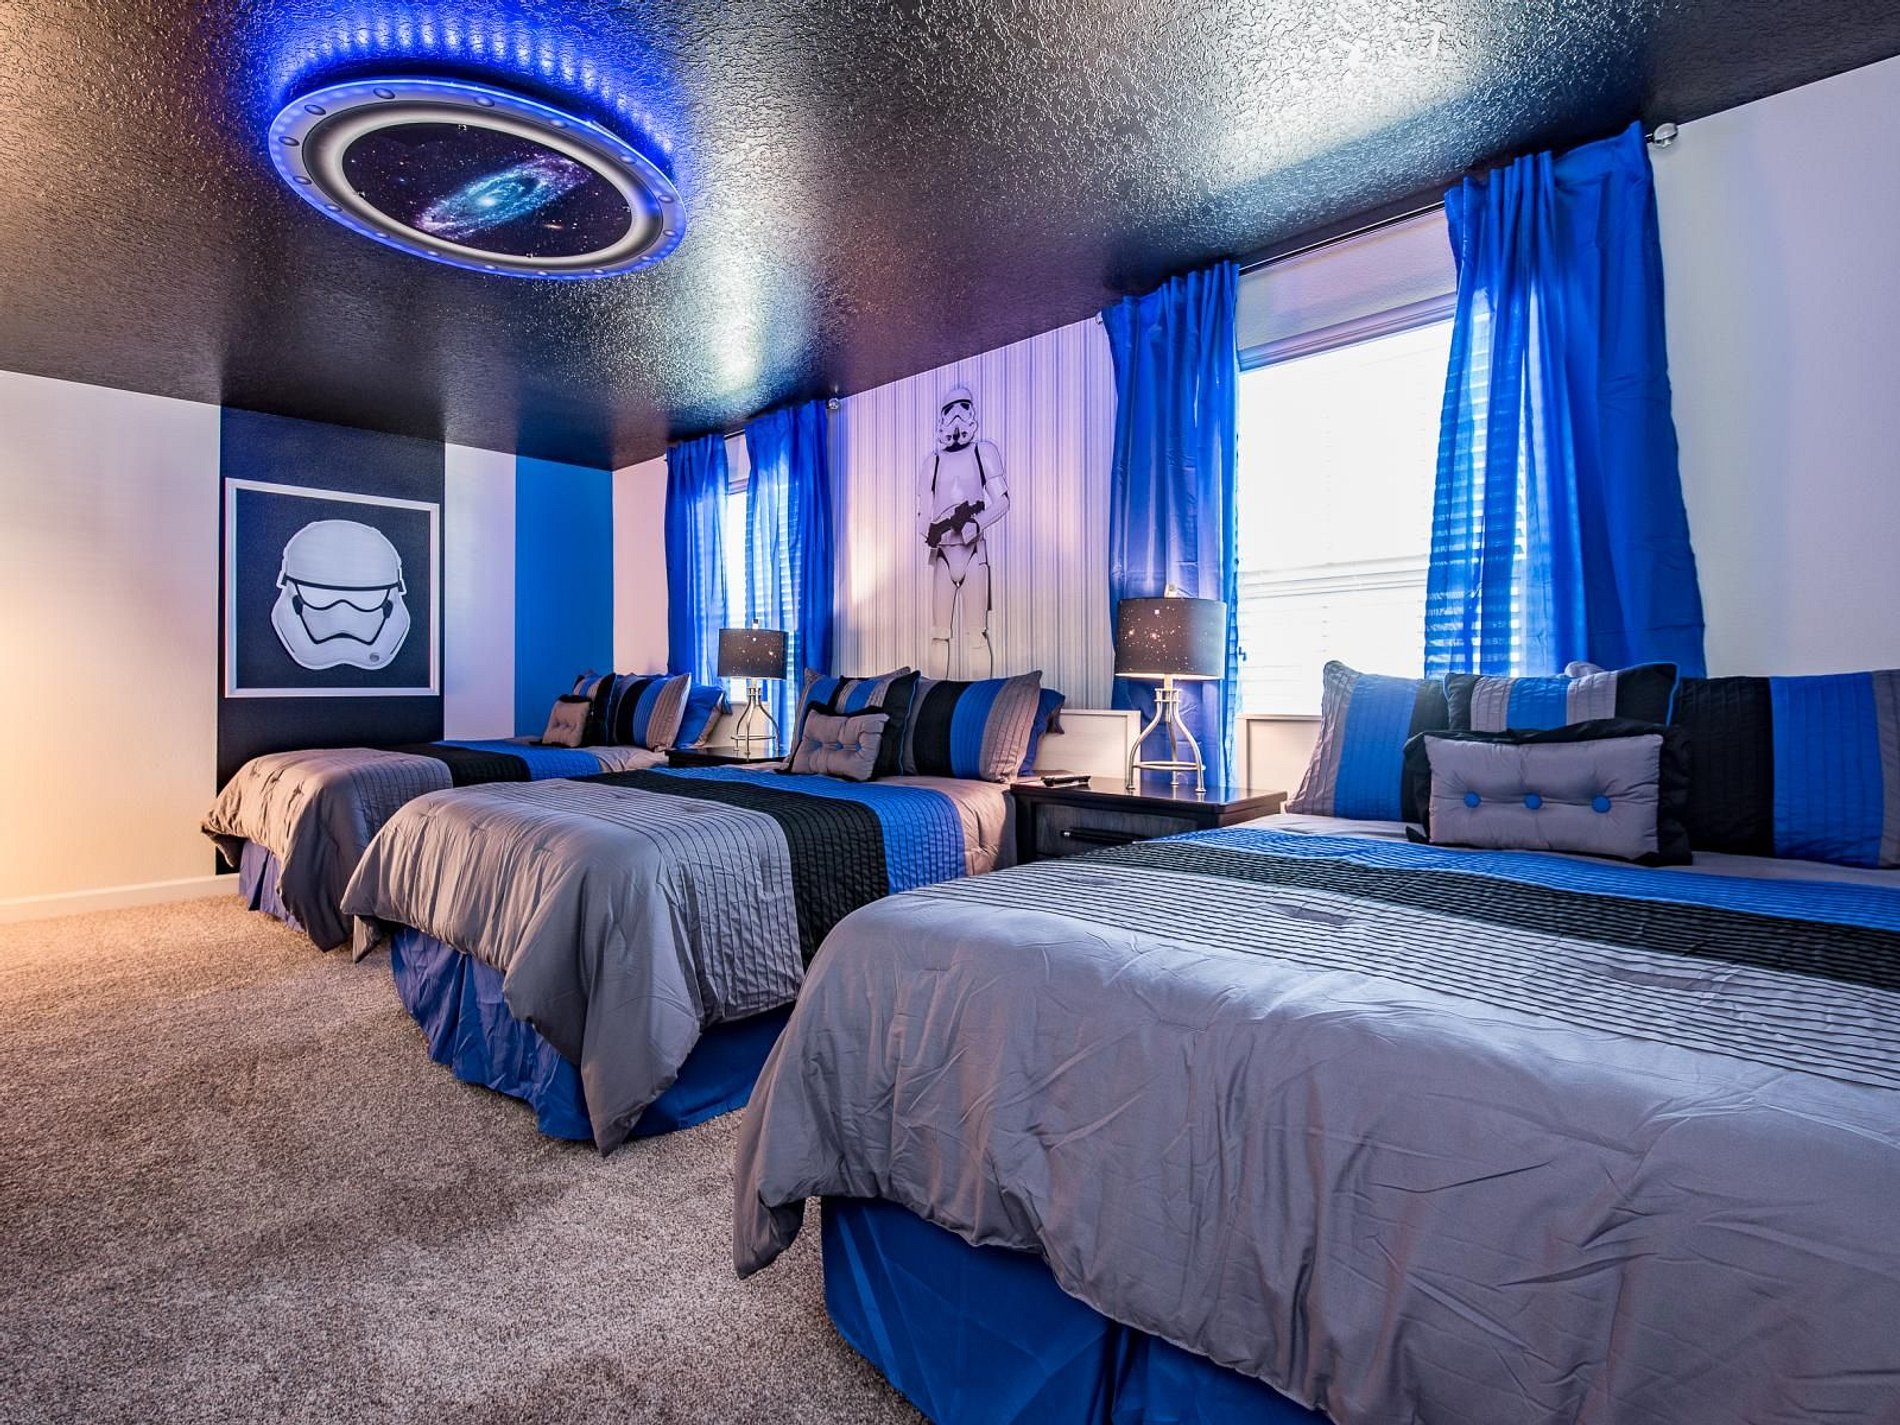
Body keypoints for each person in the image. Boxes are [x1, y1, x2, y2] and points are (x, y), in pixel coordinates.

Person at [916, 385, 1009, 678]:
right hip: (943, 555)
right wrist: (932, 531)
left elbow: (1002, 501)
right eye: (950, 409)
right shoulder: (933, 461)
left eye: (963, 407)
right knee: (939, 633)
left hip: (973, 553)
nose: (957, 416)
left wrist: (976, 523)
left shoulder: (983, 452)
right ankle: (933, 696)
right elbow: (923, 513)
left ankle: (981, 698)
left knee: (976, 634)